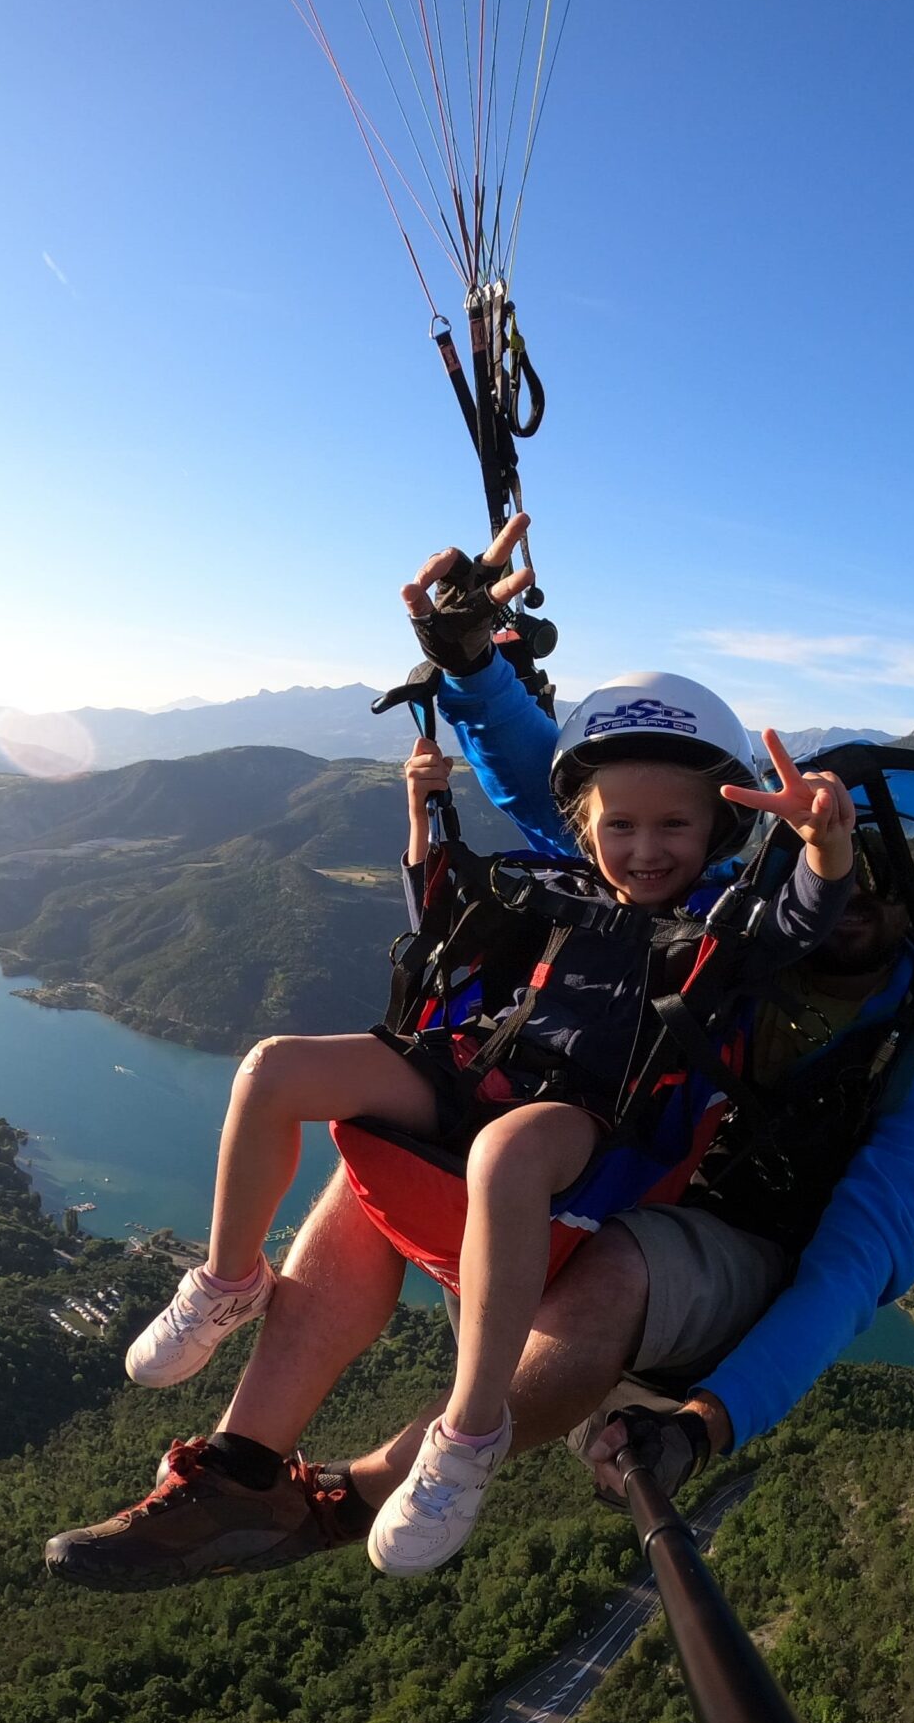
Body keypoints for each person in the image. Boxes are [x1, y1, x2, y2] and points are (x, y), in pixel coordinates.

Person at [44, 514, 914, 1588]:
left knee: (603, 1253)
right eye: (840, 863)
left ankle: (367, 1490)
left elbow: (846, 1274)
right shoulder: (695, 906)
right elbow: (582, 803)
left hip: (713, 1238)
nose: (857, 892)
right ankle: (240, 1465)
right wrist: (473, 666)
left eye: (883, 869)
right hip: (601, 1144)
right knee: (389, 1140)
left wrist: (707, 1423)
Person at [102, 670, 857, 1575]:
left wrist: (823, 850)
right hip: (481, 1071)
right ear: (585, 828)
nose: (646, 850)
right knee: (274, 1068)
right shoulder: (557, 892)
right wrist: (423, 821)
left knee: (502, 1152)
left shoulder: (718, 927)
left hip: (589, 1120)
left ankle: (465, 1437)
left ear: (720, 831)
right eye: (620, 826)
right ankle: (228, 1281)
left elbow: (796, 925)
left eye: (675, 827)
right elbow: (443, 936)